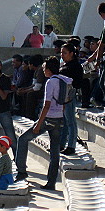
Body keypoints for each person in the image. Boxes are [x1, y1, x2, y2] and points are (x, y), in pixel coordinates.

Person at [15, 56, 69, 190]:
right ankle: (51, 183)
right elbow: (65, 101)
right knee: (55, 152)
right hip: (59, 118)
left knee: (23, 139)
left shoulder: (50, 82)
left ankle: (21, 171)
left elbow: (47, 104)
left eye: (45, 68)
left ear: (49, 70)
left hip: (48, 118)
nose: (43, 70)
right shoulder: (64, 80)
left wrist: (39, 123)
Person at [59, 43, 84, 156]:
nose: (62, 55)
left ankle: (71, 146)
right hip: (62, 97)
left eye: (64, 53)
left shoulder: (75, 66)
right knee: (64, 122)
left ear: (71, 53)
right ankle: (61, 144)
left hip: (69, 96)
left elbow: (77, 83)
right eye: (61, 53)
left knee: (70, 122)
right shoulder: (64, 65)